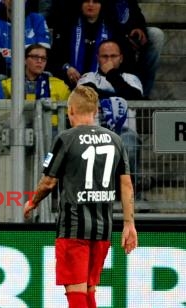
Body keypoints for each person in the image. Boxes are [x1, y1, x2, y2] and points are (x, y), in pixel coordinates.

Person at [23, 85, 137, 308]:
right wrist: (129, 224)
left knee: (75, 293)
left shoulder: (66, 138)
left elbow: (49, 182)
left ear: (71, 111)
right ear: (95, 112)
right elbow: (125, 185)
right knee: (88, 292)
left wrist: (32, 202)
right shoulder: (115, 140)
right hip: (102, 228)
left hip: (73, 227)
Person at [78, 39, 142, 178]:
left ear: (121, 58)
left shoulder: (131, 79)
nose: (109, 60)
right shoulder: (88, 77)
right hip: (94, 132)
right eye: (104, 56)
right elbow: (87, 95)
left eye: (113, 56)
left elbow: (134, 97)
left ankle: (130, 195)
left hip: (125, 132)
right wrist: (119, 94)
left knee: (129, 147)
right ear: (97, 58)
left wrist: (111, 74)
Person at [49, 0, 129, 89]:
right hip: (70, 85)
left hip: (105, 87)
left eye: (95, 1)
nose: (90, 5)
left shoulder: (114, 28)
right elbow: (54, 59)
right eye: (86, 1)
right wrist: (67, 68)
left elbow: (126, 63)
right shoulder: (67, 26)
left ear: (101, 5)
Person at [1, 44, 70, 128]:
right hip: (19, 132)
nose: (40, 61)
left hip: (51, 133)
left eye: (43, 58)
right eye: (35, 57)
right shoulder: (8, 85)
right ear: (25, 60)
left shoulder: (60, 86)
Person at [0, 0, 51, 78]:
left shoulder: (37, 20)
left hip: (34, 74)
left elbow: (44, 55)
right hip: (7, 77)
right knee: (0, 77)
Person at [112, 0, 164, 98]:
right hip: (108, 36)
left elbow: (137, 16)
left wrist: (139, 28)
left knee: (156, 35)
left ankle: (143, 94)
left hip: (128, 37)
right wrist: (125, 37)